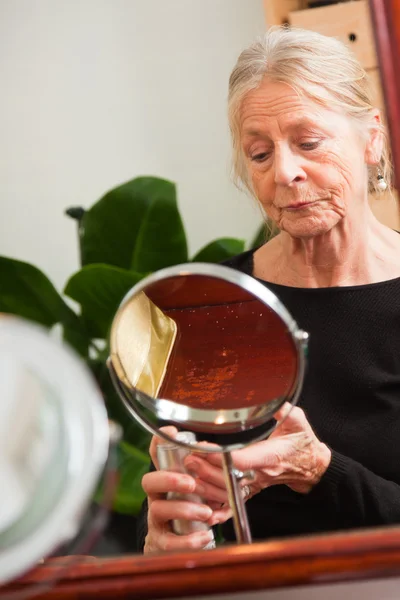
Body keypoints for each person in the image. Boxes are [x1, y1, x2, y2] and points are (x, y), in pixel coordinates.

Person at [137, 25, 400, 553]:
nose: (285, 171)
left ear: (372, 137)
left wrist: (317, 470)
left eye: (309, 142)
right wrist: (165, 540)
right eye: (259, 154)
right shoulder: (209, 305)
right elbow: (179, 508)